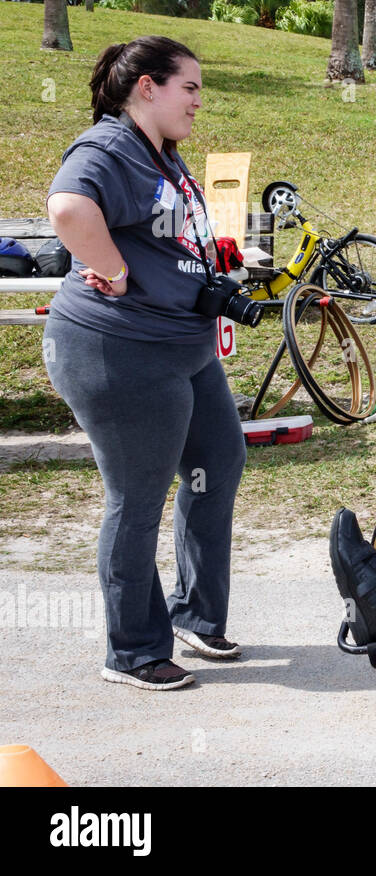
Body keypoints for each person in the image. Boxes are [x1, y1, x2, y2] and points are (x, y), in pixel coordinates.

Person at [43, 36, 246, 691]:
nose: (197, 101)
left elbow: (174, 237)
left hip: (181, 349)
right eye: (189, 86)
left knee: (216, 463)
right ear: (147, 87)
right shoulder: (109, 148)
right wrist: (115, 270)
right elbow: (68, 208)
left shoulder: (166, 156)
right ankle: (130, 650)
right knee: (136, 499)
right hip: (119, 351)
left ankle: (194, 614)